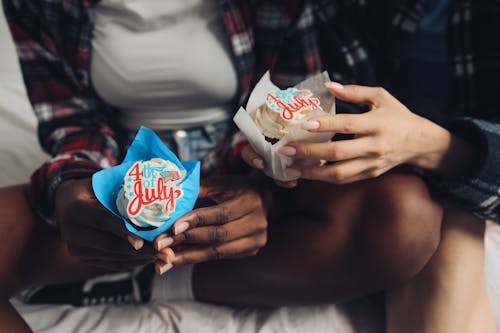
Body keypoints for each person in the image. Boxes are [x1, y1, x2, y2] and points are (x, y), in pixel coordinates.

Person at [0, 1, 492, 333]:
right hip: (117, 165)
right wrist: (75, 189)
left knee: (406, 218)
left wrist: (263, 188)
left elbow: (285, 109)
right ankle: (135, 263)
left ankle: (150, 277)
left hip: (235, 163)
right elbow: (73, 123)